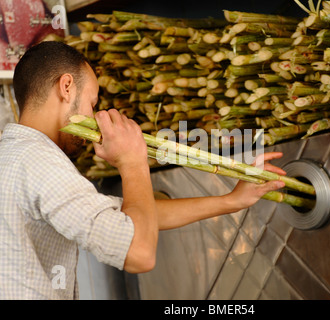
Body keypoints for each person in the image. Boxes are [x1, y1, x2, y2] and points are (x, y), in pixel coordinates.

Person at [0, 41, 286, 300]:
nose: (94, 116)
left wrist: (230, 201)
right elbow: (139, 252)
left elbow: (130, 218)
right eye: (92, 103)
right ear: (66, 87)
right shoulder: (39, 162)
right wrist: (132, 161)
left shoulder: (18, 157)